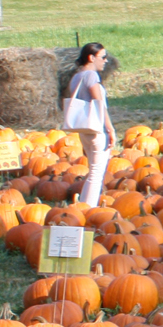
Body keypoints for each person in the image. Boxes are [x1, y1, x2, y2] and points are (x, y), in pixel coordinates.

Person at [67, 43, 113, 207]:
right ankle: (89, 208)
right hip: (96, 128)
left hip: (84, 128)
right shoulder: (91, 76)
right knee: (96, 172)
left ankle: (84, 205)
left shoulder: (76, 77)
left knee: (93, 170)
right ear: (91, 58)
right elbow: (98, 103)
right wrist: (109, 127)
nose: (106, 61)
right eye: (103, 57)